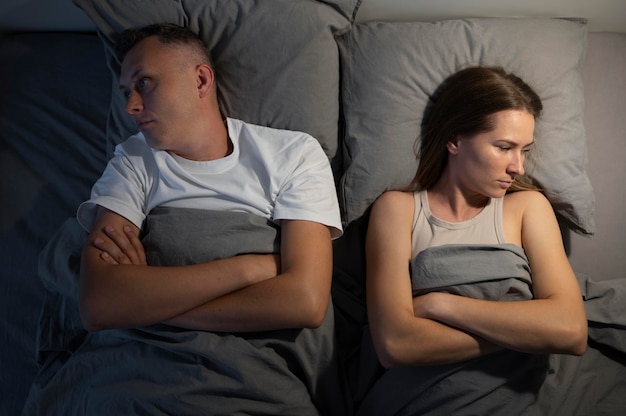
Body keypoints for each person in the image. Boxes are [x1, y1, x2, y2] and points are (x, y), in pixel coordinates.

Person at [77, 22, 342, 333]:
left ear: (201, 80)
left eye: (144, 83)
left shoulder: (294, 154)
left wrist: (144, 303)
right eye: (126, 92)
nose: (131, 106)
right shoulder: (133, 160)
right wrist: (249, 268)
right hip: (146, 357)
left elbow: (305, 302)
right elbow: (100, 303)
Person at [365, 66, 587, 370]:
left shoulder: (528, 207)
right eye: (504, 147)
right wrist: (530, 332)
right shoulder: (397, 210)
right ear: (455, 141)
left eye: (524, 151)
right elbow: (396, 345)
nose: (518, 167)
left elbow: (571, 331)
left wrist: (438, 304)